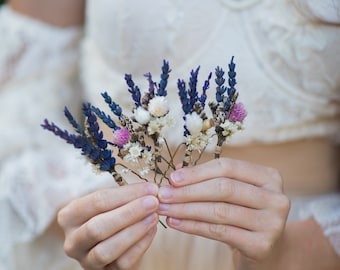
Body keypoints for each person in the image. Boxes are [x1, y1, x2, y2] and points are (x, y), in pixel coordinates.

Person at [0, 0, 339, 269]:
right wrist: (78, 212)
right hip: (108, 234)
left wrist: (292, 254)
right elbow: (22, 104)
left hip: (308, 244)